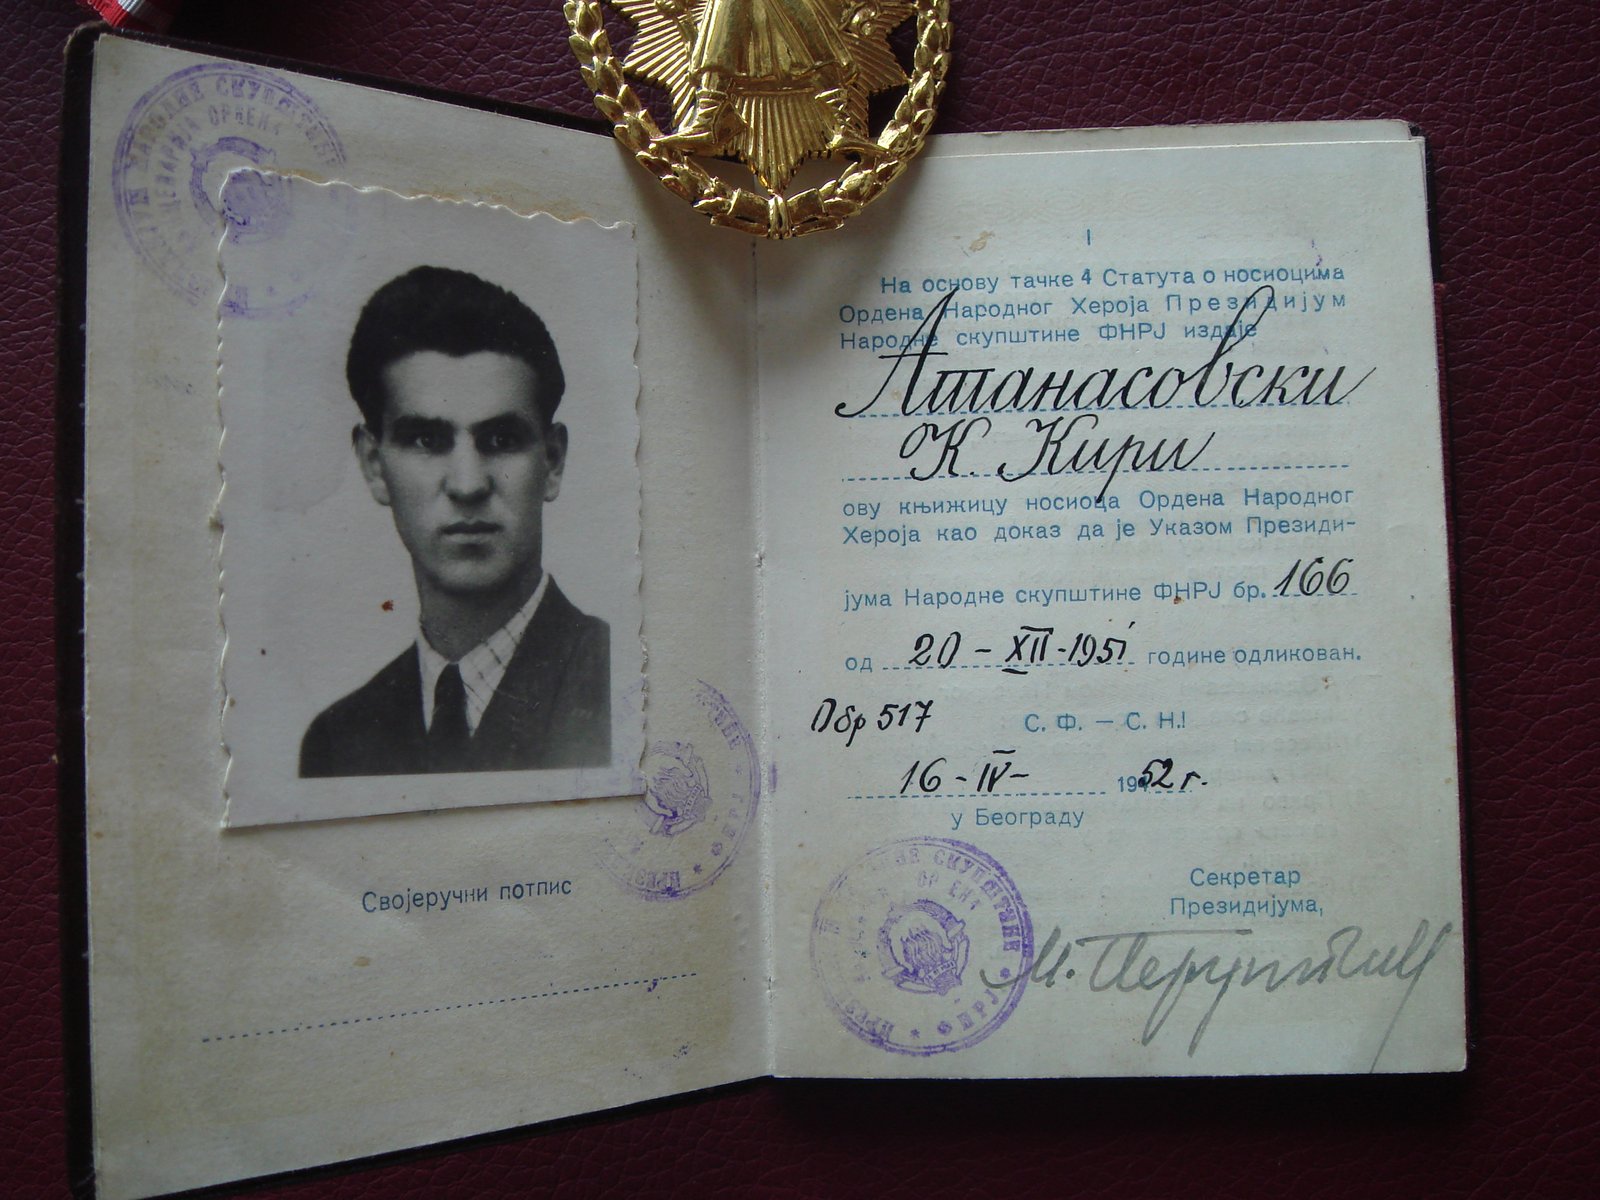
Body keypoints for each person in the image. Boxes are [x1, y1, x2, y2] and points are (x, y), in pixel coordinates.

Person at [299, 266, 610, 777]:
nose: (468, 485)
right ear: (374, 466)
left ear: (552, 462)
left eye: (501, 440)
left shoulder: (620, 686)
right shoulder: (338, 742)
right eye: (427, 440)